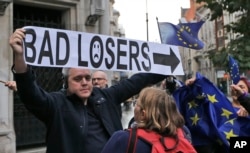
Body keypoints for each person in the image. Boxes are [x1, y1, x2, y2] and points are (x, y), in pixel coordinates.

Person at [9, 28, 166, 153]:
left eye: (87, 78)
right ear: (66, 82)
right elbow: (30, 94)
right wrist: (20, 57)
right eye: (77, 79)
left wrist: (167, 65)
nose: (84, 83)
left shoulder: (106, 96)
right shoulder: (56, 103)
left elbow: (137, 82)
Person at [101, 87, 197, 153]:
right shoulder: (183, 132)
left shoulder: (123, 139)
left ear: (143, 114)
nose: (134, 107)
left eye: (137, 104)